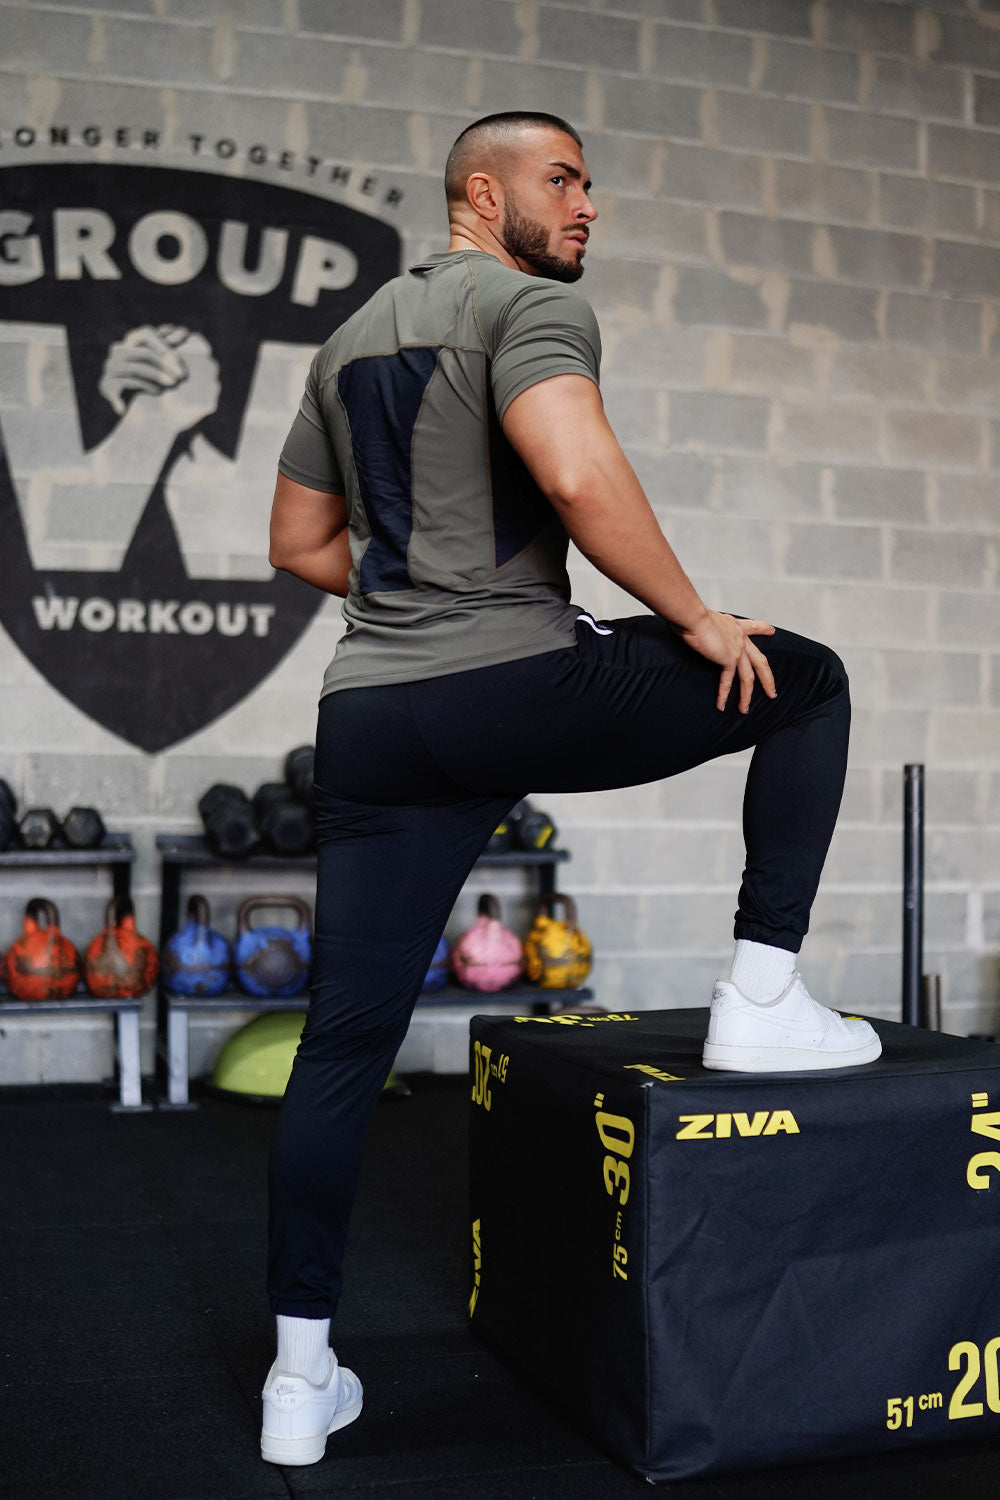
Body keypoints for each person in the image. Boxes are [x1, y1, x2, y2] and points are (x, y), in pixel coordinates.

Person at [260, 110, 881, 1467]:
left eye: (591, 183)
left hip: (370, 719)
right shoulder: (526, 306)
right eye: (563, 180)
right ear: (483, 196)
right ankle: (762, 997)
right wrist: (696, 616)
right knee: (807, 679)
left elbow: (297, 542)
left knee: (340, 1049)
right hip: (510, 684)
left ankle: (298, 1382)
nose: (587, 204)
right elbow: (577, 470)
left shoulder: (347, 340)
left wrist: (415, 593)